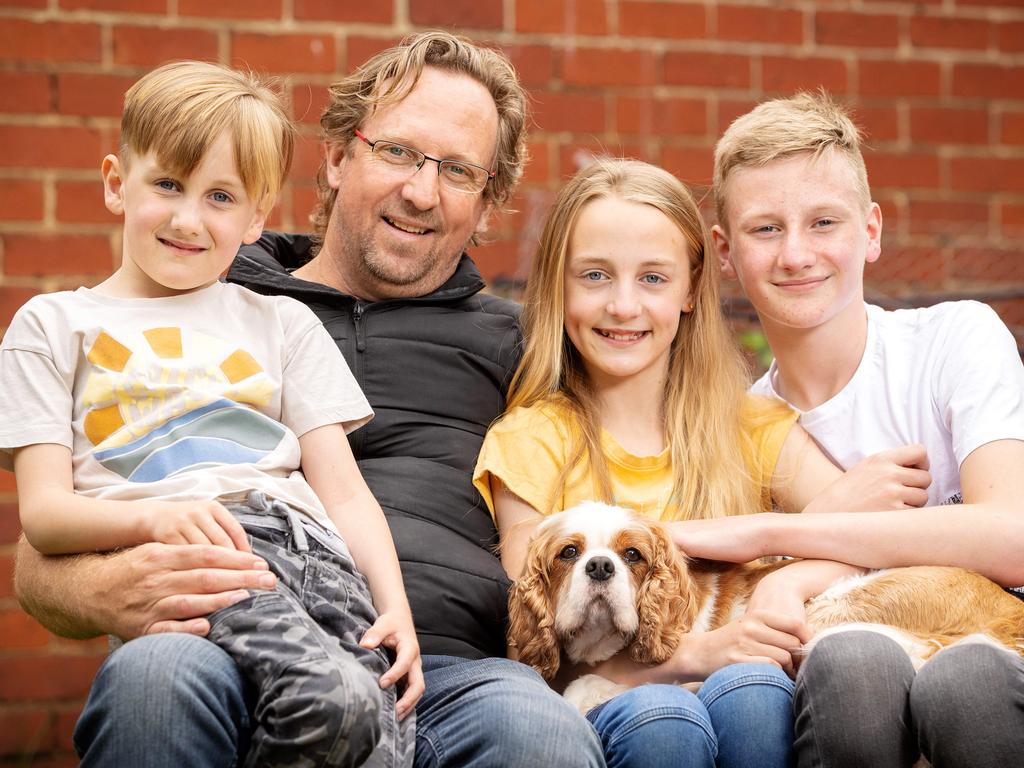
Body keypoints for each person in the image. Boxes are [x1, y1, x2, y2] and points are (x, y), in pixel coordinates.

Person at [13, 33, 605, 768]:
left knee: (540, 735)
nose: (422, 190)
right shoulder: (212, 289)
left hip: (453, 671)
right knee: (154, 679)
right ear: (334, 158)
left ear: (486, 204)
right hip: (219, 635)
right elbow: (38, 557)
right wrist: (113, 585)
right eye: (398, 152)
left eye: (457, 170)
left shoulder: (525, 344)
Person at [1, 60, 421, 768]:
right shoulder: (53, 325)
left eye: (220, 196)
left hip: (317, 558)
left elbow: (345, 492)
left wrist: (395, 608)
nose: (188, 218)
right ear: (115, 182)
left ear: (257, 217)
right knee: (334, 707)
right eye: (168, 184)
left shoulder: (281, 323)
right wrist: (156, 520)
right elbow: (44, 515)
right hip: (206, 559)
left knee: (383, 736)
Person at [473, 158, 909, 768]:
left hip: (750, 695)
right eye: (595, 275)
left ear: (690, 288)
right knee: (663, 717)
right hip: (630, 718)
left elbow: (877, 545)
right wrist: (694, 655)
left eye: (653, 278)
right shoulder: (532, 439)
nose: (623, 306)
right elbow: (544, 628)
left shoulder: (750, 428)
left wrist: (784, 567)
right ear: (558, 285)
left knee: (752, 694)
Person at [698, 90, 1024, 767]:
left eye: (824, 222)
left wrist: (782, 534)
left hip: (996, 668)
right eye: (765, 229)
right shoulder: (738, 434)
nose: (796, 254)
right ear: (725, 251)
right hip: (842, 701)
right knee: (853, 671)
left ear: (871, 231)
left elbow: (1011, 536)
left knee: (968, 684)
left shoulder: (952, 340)